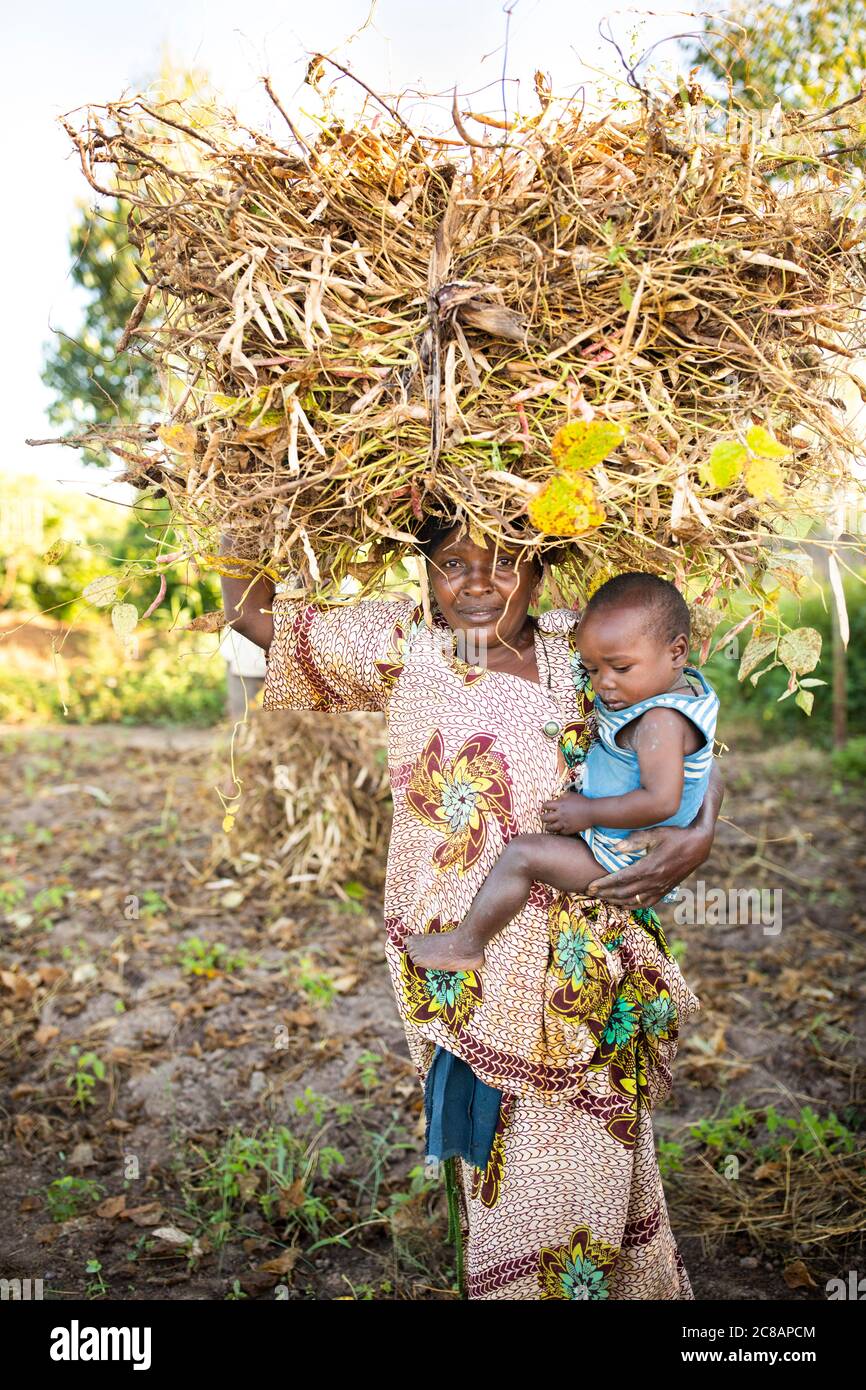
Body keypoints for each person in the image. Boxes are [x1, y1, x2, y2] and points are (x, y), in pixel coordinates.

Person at [217, 517, 724, 1300]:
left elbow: (683, 729)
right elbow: (257, 618)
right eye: (453, 563)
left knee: (594, 1157)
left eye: (504, 563)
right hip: (472, 959)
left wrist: (701, 827)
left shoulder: (578, 644)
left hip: (592, 955)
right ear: (426, 570)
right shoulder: (404, 644)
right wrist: (233, 502)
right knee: (508, 1162)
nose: (478, 585)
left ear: (542, 567)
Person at [405, 571, 720, 973]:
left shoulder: (661, 719)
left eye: (621, 668)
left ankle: (467, 943)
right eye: (591, 670)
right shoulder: (682, 693)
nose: (603, 683)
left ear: (677, 652)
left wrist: (588, 813)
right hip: (624, 842)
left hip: (619, 856)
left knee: (523, 855)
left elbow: (662, 800)